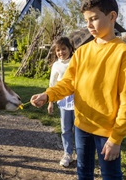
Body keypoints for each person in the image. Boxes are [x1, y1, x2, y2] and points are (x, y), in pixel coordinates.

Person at [30, 0, 126, 180]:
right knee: (83, 171)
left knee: (110, 175)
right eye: (86, 20)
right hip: (81, 125)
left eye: (94, 19)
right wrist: (48, 95)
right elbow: (69, 82)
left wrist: (116, 137)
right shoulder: (82, 52)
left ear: (112, 16)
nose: (88, 25)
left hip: (108, 131)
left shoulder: (123, 52)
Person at [47, 36, 76, 167]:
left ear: (70, 49)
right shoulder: (56, 65)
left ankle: (81, 154)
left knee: (80, 129)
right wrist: (50, 102)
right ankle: (68, 154)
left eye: (63, 49)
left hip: (78, 98)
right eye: (58, 50)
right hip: (63, 100)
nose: (61, 52)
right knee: (65, 128)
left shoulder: (76, 61)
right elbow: (52, 84)